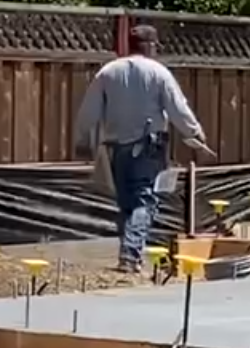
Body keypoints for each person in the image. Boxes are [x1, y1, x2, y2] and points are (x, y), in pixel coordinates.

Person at [76, 24, 214, 272]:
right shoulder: (158, 73)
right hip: (148, 145)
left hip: (117, 147)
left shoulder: (108, 72)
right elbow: (177, 109)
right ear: (150, 45)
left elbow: (89, 110)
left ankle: (129, 255)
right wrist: (196, 134)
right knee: (145, 201)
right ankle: (130, 256)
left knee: (126, 203)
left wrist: (83, 139)